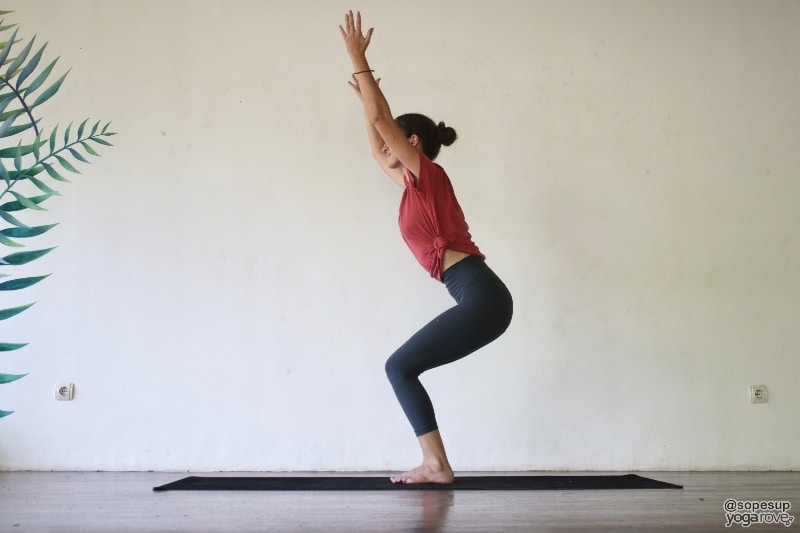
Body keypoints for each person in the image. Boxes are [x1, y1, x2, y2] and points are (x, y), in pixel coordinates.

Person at [339, 10, 513, 484]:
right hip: (477, 294)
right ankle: (436, 463)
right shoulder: (412, 188)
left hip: (482, 295)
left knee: (399, 366)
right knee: (403, 367)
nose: (383, 144)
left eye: (393, 136)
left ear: (411, 141)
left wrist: (359, 61)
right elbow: (377, 144)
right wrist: (366, 106)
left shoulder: (428, 175)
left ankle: (436, 464)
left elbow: (381, 120)